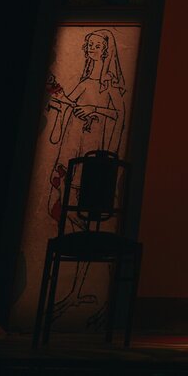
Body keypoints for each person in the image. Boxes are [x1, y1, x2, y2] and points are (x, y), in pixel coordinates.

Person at [44, 29, 127, 320]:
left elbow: (117, 116)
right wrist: (67, 108)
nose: (90, 49)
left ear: (106, 51)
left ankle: (83, 290)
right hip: (77, 154)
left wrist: (93, 110)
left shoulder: (110, 87)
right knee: (70, 215)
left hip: (96, 165)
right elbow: (70, 108)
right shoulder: (84, 82)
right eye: (88, 45)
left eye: (95, 45)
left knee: (90, 219)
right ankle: (73, 289)